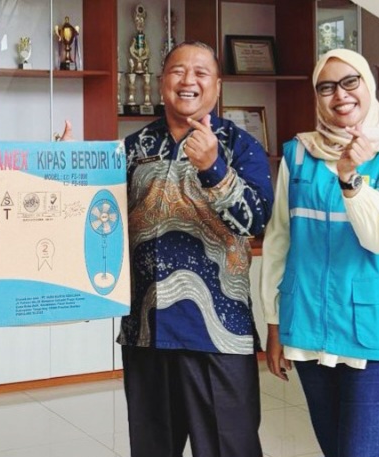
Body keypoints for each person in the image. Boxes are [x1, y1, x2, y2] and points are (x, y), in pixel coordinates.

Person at [261, 48, 379, 457]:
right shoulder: (298, 153)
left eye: (350, 82)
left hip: (376, 332)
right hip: (308, 325)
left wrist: (351, 180)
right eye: (326, 87)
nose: (340, 95)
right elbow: (279, 240)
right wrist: (274, 323)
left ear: (368, 86)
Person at [118, 41, 273, 457]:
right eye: (177, 71)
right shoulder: (132, 148)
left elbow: (256, 222)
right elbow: (101, 222)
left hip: (219, 332)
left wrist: (213, 169)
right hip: (146, 330)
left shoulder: (241, 146)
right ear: (161, 82)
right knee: (152, 448)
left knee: (230, 447)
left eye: (201, 73)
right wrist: (68, 163)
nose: (188, 80)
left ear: (217, 86)